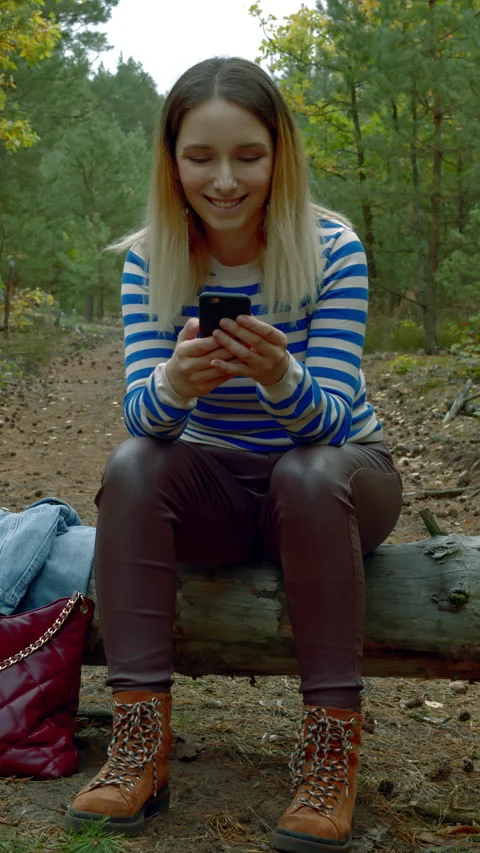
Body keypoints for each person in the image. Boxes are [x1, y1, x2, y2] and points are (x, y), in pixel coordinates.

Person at [64, 56, 402, 851]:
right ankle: (139, 749)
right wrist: (177, 384)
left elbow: (327, 421)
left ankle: (328, 758)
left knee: (307, 470)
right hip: (215, 487)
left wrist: (281, 373)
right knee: (132, 465)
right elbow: (144, 420)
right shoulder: (153, 256)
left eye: (247, 155)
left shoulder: (332, 248)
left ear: (279, 153)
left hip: (340, 477)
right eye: (200, 157)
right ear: (172, 160)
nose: (224, 180)